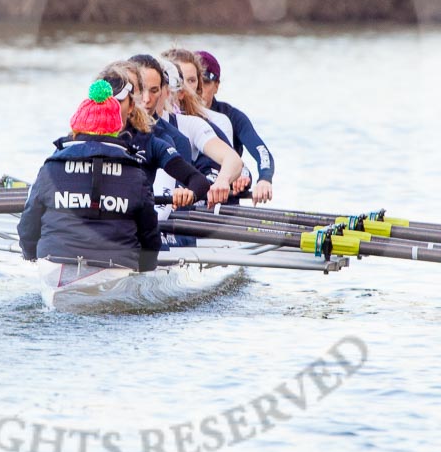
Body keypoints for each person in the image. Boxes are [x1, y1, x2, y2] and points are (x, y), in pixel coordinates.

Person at [17, 77, 163, 280]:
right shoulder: (135, 174)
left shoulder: (50, 168)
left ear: (77, 128)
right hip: (118, 266)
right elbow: (150, 235)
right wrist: (145, 269)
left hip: (53, 261)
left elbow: (28, 225)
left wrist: (30, 256)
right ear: (116, 129)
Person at [163, 47, 274, 204]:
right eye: (180, 81)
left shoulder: (221, 120)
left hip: (212, 199)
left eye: (192, 80)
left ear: (214, 85)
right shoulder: (158, 122)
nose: (185, 88)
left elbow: (238, 161)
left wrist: (261, 179)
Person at [126, 53, 237, 209]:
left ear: (165, 90)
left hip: (166, 220)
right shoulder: (104, 129)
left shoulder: (174, 137)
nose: (146, 99)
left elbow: (232, 160)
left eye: (153, 90)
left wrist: (222, 180)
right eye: (141, 90)